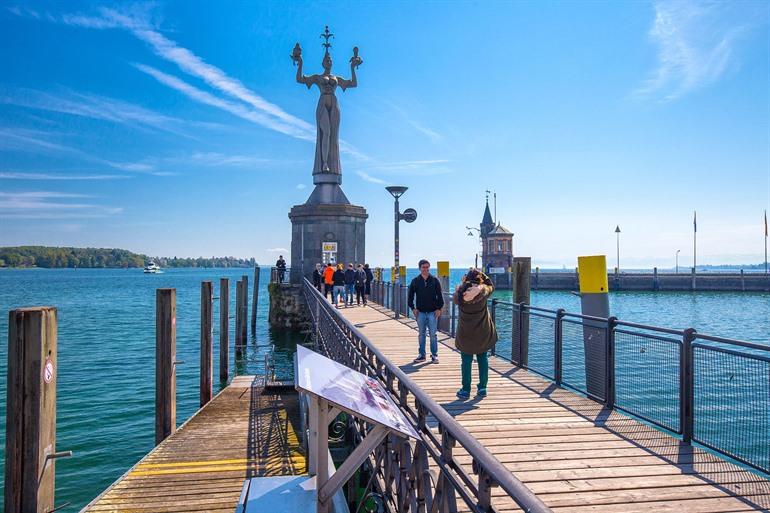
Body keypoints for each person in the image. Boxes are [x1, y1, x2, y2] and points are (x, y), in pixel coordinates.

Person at [453, 269, 498, 399]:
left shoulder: (459, 295)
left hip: (465, 333)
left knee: (466, 361)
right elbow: (490, 286)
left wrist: (463, 282)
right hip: (482, 332)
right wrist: (482, 277)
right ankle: (482, 388)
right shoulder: (483, 293)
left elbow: (458, 292)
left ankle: (465, 389)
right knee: (482, 359)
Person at [408, 259, 444, 364]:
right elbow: (410, 297)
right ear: (419, 268)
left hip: (433, 312)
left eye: (427, 267)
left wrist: (439, 309)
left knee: (433, 334)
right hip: (421, 312)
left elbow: (440, 296)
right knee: (421, 334)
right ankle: (422, 355)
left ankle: (434, 355)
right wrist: (413, 308)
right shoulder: (415, 281)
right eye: (423, 267)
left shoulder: (435, 280)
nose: (426, 269)